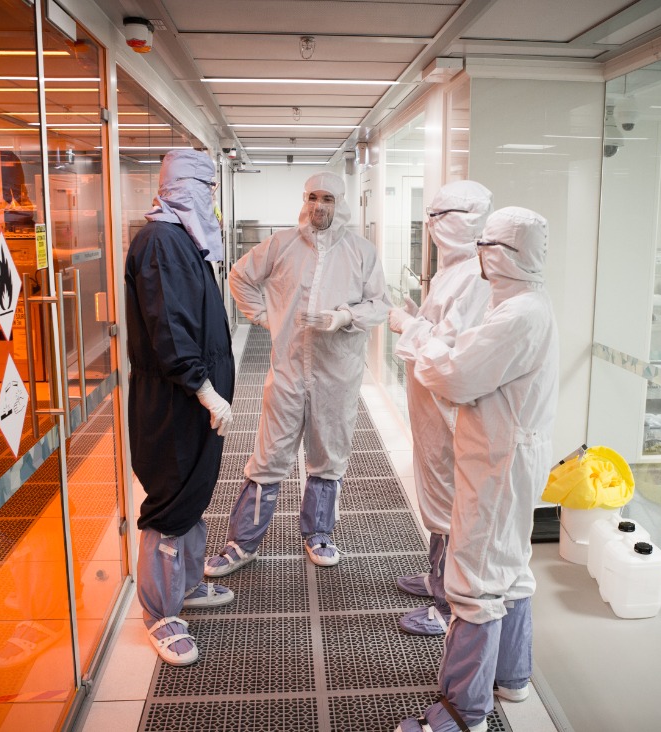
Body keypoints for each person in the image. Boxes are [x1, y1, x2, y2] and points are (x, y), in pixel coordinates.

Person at [391, 207, 559, 732]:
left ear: (500, 255)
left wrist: (421, 336)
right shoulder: (522, 304)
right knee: (508, 568)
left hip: (496, 459)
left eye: (487, 246)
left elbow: (458, 375)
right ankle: (511, 675)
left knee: (474, 580)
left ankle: (462, 714)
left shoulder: (516, 315)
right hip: (509, 453)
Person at [206, 171, 388, 575]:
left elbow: (380, 305)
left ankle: (318, 533)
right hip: (287, 369)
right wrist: (268, 317)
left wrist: (343, 317)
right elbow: (239, 277)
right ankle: (242, 543)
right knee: (268, 456)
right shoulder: (282, 244)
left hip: (336, 372)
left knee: (327, 457)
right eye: (312, 197)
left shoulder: (361, 252)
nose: (318, 206)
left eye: (327, 199)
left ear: (339, 204)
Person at [124, 149, 235, 667]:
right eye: (203, 187)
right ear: (176, 187)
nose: (209, 200)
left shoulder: (184, 240)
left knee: (192, 494)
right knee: (170, 504)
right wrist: (202, 386)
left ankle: (186, 585)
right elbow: (170, 326)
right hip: (174, 398)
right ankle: (160, 612)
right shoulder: (161, 241)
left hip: (193, 396)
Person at [388, 181, 493, 636]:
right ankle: (437, 579)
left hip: (450, 410)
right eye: (429, 217)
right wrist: (418, 318)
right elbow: (438, 328)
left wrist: (409, 324)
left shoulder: (475, 276)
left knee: (453, 502)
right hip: (430, 407)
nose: (431, 228)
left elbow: (451, 350)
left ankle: (449, 604)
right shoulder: (453, 271)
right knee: (436, 494)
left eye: (440, 218)